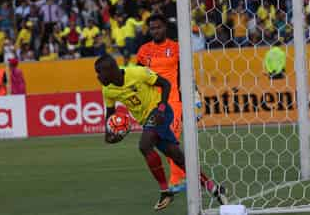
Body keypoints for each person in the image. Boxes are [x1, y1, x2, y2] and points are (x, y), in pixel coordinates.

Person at [94, 54, 227, 211]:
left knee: (144, 145)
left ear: (111, 70)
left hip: (160, 112)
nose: (98, 76)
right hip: (147, 122)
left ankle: (165, 192)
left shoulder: (137, 73)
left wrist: (162, 108)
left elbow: (165, 84)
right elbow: (110, 113)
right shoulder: (108, 90)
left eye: (99, 72)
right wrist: (107, 134)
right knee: (177, 157)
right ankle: (214, 188)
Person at [136, 14, 186, 193]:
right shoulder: (143, 50)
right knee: (162, 143)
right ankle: (181, 176)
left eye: (158, 27)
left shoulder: (176, 48)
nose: (155, 31)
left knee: (173, 138)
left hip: (173, 101)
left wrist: (192, 95)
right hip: (153, 105)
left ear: (165, 27)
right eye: (152, 28)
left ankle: (176, 180)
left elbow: (184, 74)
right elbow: (138, 77)